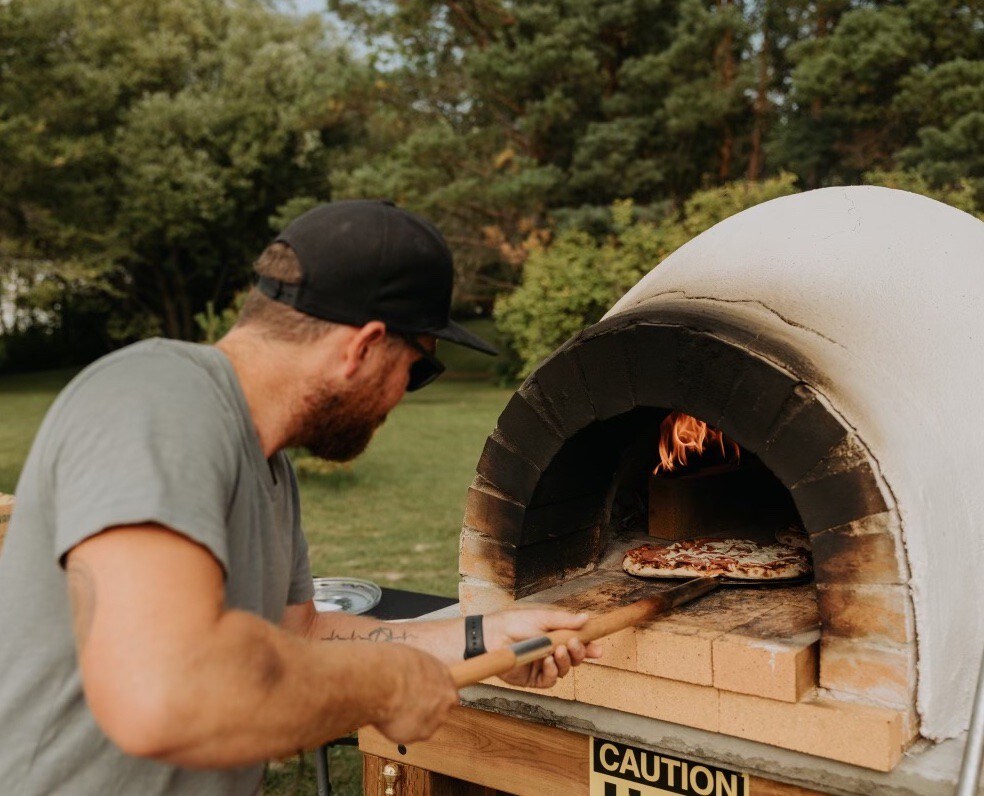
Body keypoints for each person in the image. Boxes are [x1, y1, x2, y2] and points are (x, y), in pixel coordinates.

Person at [0, 200, 601, 795]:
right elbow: (162, 695)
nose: (401, 397)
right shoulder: (155, 404)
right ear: (361, 348)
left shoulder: (267, 461)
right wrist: (385, 685)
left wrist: (482, 635)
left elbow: (300, 637)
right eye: (418, 369)